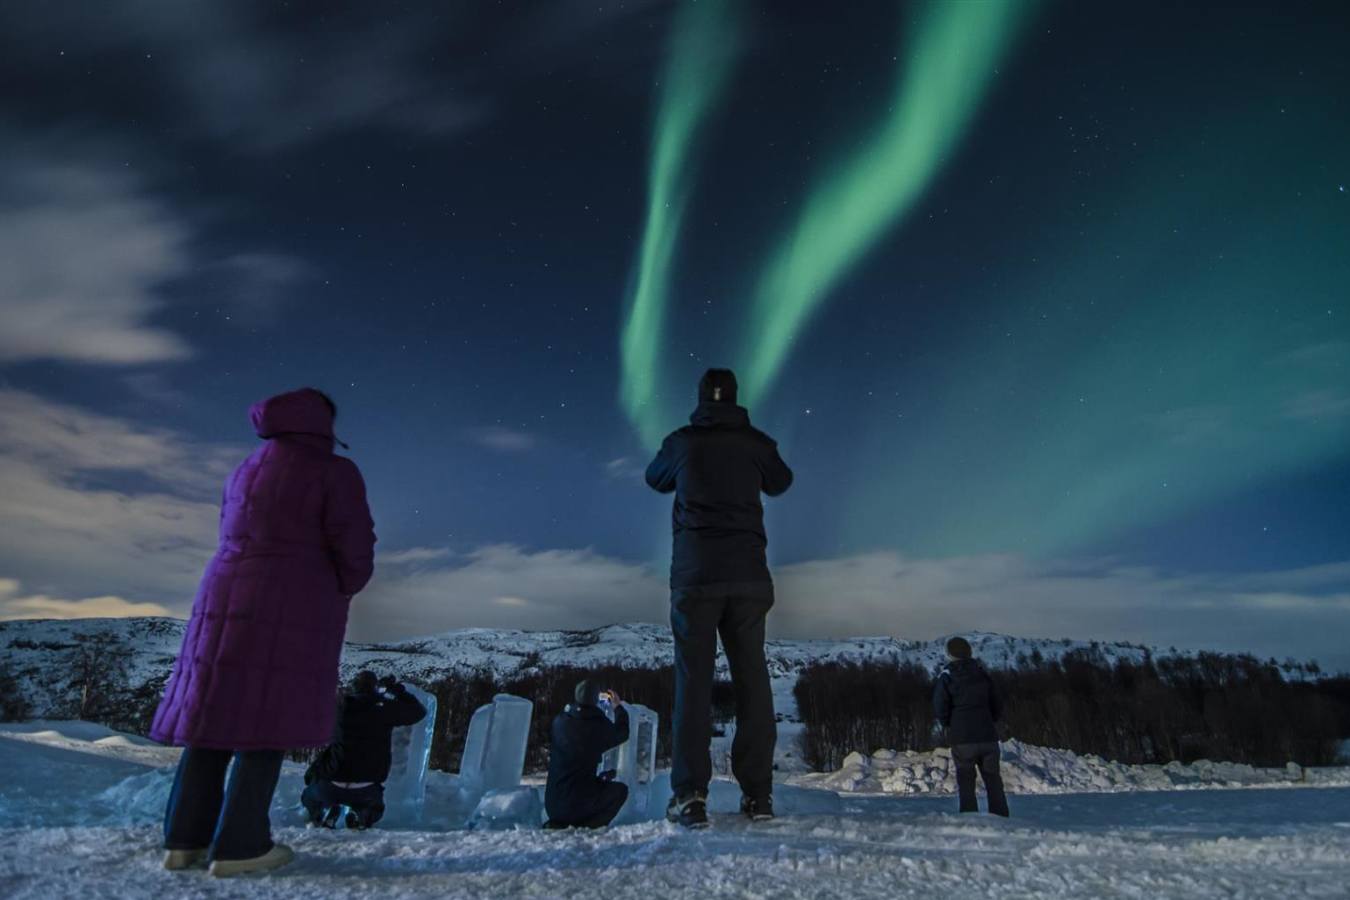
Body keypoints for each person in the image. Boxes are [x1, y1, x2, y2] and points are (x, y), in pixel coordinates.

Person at [150, 388, 376, 876]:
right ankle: (241, 846)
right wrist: (342, 585)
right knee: (266, 721)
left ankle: (183, 842)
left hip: (221, 596)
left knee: (211, 720)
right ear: (322, 424)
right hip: (291, 601)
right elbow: (354, 547)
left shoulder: (246, 470)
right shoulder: (334, 472)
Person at [645, 368, 793, 828]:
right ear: (735, 398)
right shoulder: (757, 444)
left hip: (694, 577)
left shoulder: (682, 442)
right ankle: (759, 796)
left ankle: (690, 796)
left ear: (700, 399)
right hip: (748, 577)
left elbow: (655, 478)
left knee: (694, 683)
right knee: (753, 679)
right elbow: (781, 481)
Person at [301, 672, 428, 829]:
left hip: (331, 780)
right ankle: (360, 815)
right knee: (375, 809)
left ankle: (324, 810)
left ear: (354, 687)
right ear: (374, 689)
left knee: (309, 797)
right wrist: (396, 691)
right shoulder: (384, 709)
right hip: (367, 786)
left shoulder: (339, 708)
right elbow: (418, 712)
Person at [932, 636, 1010, 817]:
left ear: (949, 655)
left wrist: (948, 723)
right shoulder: (982, 674)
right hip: (987, 735)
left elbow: (940, 705)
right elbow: (997, 702)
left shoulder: (947, 676)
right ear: (969, 653)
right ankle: (1000, 817)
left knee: (965, 779)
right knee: (993, 779)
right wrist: (991, 719)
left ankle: (969, 816)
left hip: (962, 737)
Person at [543, 680, 631, 829]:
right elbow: (622, 733)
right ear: (596, 699)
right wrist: (617, 707)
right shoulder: (597, 725)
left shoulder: (559, 722)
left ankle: (560, 821)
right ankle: (587, 826)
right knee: (620, 791)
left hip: (552, 805)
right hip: (577, 805)